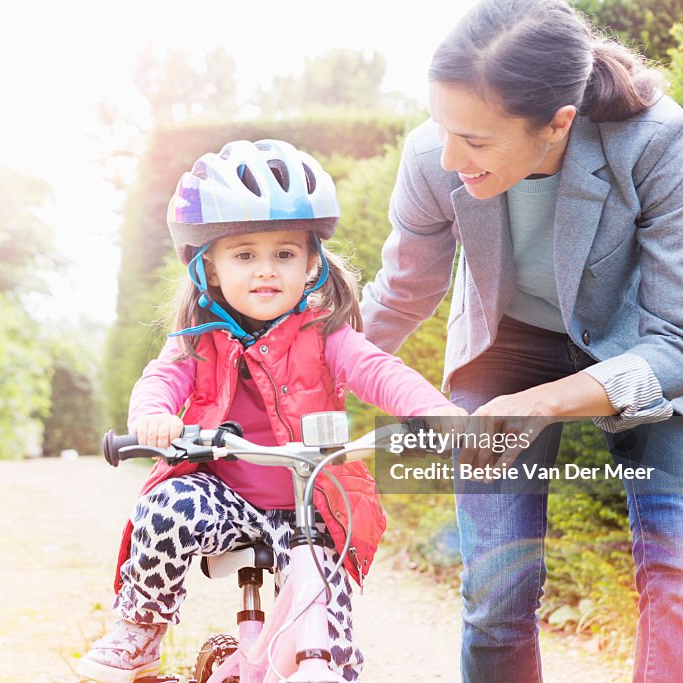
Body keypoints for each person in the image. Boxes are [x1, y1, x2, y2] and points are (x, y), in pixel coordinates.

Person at [359, 1, 683, 681]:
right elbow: (400, 294)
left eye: (474, 140)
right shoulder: (431, 157)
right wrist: (288, 374)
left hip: (651, 344)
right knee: (496, 588)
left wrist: (544, 405)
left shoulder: (654, 138)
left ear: (558, 123)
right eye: (443, 128)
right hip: (506, 347)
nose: (450, 156)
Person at [77, 139, 464, 683]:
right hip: (224, 495)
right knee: (166, 509)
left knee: (332, 649)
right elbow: (162, 379)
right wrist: (154, 415)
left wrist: (432, 411)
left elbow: (380, 371)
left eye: (284, 253)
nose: (266, 270)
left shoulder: (327, 334)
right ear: (208, 266)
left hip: (311, 505)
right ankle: (140, 627)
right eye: (244, 255)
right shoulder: (199, 339)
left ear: (311, 264)